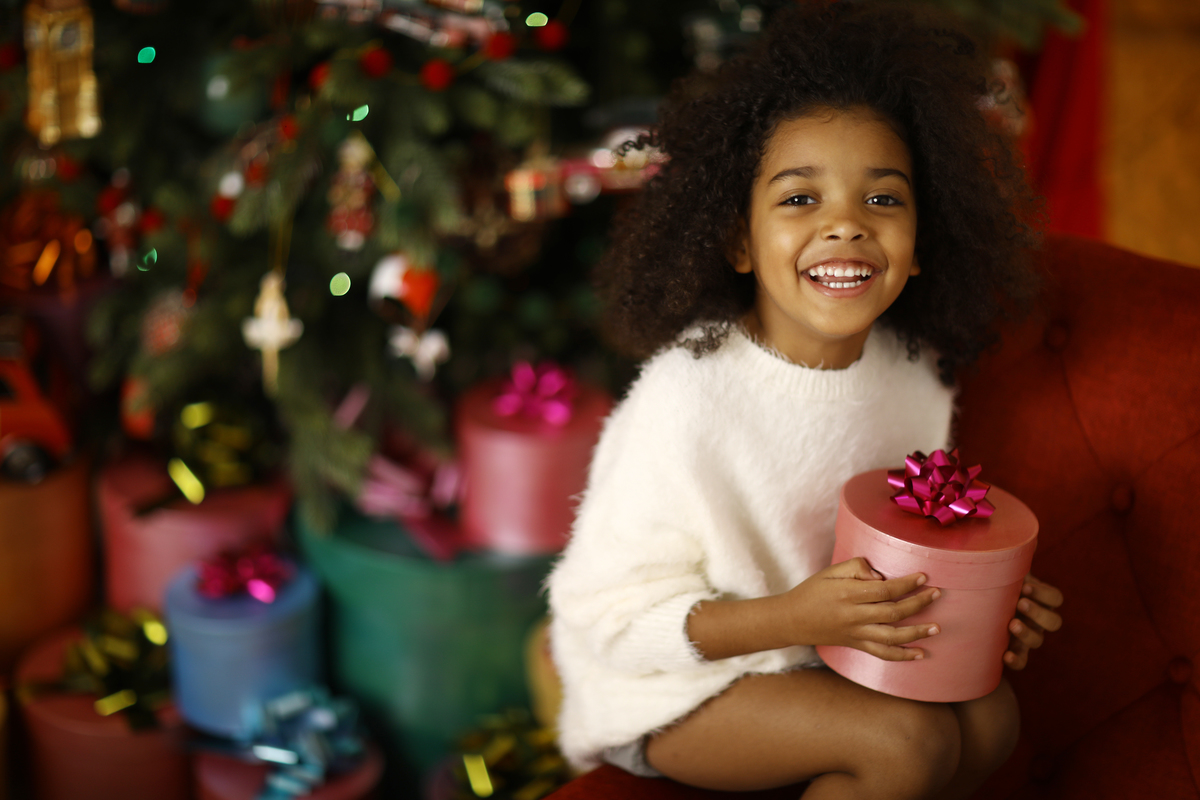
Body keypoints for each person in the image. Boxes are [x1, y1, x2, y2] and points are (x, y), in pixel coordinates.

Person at [546, 3, 1065, 799]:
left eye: (883, 201)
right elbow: (603, 619)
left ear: (921, 245)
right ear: (740, 243)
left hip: (821, 654)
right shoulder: (687, 401)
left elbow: (904, 543)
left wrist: (980, 604)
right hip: (673, 686)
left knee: (991, 716)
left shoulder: (910, 373)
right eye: (799, 200)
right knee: (906, 739)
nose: (847, 227)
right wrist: (794, 619)